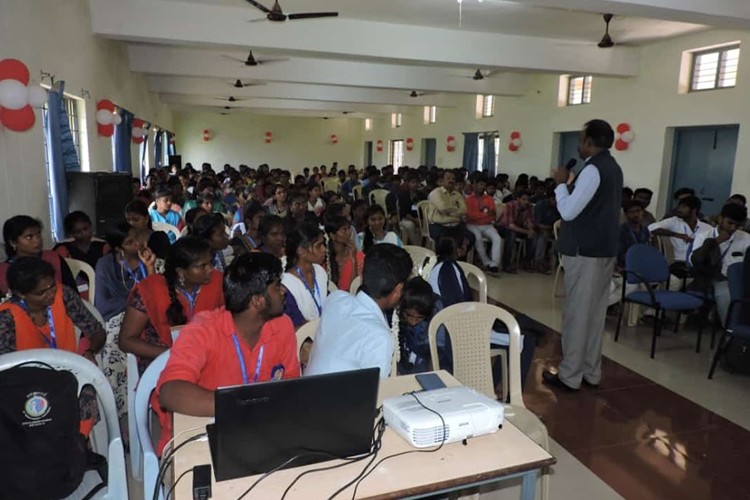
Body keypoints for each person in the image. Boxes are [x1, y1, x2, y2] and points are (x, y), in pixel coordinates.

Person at [155, 253, 300, 453]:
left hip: (257, 434)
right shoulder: (202, 330)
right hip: (200, 435)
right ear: (257, 301)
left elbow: (290, 385)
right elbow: (170, 392)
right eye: (276, 286)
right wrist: (241, 407)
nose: (283, 290)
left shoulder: (282, 325)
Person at [543, 119, 623, 391]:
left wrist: (560, 184)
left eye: (580, 139)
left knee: (577, 314)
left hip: (585, 252)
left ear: (590, 142)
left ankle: (570, 376)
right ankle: (591, 371)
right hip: (603, 250)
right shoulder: (613, 167)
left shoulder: (593, 170)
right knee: (595, 313)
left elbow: (568, 212)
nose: (578, 145)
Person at [0, 257, 107, 436]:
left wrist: (90, 351)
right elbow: (6, 368)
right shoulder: (7, 317)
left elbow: (97, 331)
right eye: (42, 292)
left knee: (86, 391)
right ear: (22, 294)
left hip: (69, 373)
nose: (50, 294)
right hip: (26, 383)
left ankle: (80, 441)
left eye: (52, 286)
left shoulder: (63, 295)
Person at [118, 237, 224, 373]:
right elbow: (126, 340)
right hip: (162, 362)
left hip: (208, 358)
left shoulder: (218, 282)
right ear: (181, 272)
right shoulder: (150, 289)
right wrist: (171, 354)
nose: (210, 269)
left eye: (211, 263)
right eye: (202, 266)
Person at [306, 243, 412, 379]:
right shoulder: (379, 338)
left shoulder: (335, 299)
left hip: (307, 390)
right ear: (398, 290)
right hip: (339, 399)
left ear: (362, 276)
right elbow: (373, 394)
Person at [94, 222, 156, 417]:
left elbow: (158, 297)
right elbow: (103, 306)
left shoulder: (151, 260)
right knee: (114, 345)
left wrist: (151, 269)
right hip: (118, 317)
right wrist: (135, 299)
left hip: (150, 314)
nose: (138, 243)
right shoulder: (106, 265)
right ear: (118, 248)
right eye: (130, 242)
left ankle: (151, 398)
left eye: (137, 237)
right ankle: (123, 411)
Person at [690, 203, 750, 325]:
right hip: (714, 279)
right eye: (730, 223)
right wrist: (715, 242)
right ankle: (731, 334)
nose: (733, 228)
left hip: (741, 279)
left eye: (737, 225)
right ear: (720, 219)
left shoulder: (746, 238)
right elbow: (695, 260)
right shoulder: (703, 236)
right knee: (727, 296)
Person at [0, 216, 78, 296]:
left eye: (38, 234)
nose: (37, 240)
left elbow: (72, 292)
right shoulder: (3, 270)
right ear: (13, 242)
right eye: (29, 237)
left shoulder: (53, 258)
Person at [648, 195, 712, 284]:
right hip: (677, 264)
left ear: (694, 210)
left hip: (697, 265)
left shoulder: (707, 228)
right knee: (674, 282)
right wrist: (676, 234)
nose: (679, 209)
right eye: (679, 206)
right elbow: (650, 228)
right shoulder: (674, 222)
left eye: (683, 206)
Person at [281, 223, 329, 328]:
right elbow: (293, 324)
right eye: (318, 246)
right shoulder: (286, 284)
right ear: (301, 251)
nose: (324, 250)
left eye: (323, 245)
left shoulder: (320, 272)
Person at [427, 170, 471, 257]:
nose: (451, 180)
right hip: (438, 225)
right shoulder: (435, 193)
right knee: (445, 240)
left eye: (453, 179)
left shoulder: (457, 194)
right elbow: (443, 208)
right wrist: (457, 211)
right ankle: (445, 260)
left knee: (471, 237)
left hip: (455, 225)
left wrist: (451, 211)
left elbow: (464, 210)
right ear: (441, 181)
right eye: (448, 178)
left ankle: (460, 260)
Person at [465, 173, 502, 274]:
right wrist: (484, 214)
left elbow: (493, 215)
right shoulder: (469, 199)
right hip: (472, 225)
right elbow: (469, 216)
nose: (482, 187)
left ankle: (494, 264)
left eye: (483, 185)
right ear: (474, 185)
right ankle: (486, 262)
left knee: (497, 238)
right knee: (477, 238)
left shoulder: (489, 199)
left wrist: (481, 215)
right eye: (480, 184)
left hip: (487, 226)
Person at [498, 190, 535, 273]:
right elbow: (510, 225)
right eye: (524, 199)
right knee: (511, 234)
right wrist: (526, 232)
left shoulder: (529, 206)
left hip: (519, 228)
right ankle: (506, 264)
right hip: (504, 227)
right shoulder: (510, 205)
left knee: (533, 236)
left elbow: (529, 221)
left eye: (528, 200)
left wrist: (530, 229)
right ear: (518, 199)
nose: (526, 202)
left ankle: (526, 262)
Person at [325, 215, 364, 292]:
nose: (349, 233)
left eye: (349, 229)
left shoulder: (358, 256)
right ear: (332, 235)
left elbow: (355, 289)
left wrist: (354, 261)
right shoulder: (325, 259)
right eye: (344, 230)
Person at [618, 200, 651, 270]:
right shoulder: (621, 230)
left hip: (643, 265)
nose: (635, 215)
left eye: (638, 211)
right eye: (631, 212)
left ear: (643, 212)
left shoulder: (645, 231)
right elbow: (620, 254)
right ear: (626, 214)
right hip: (625, 267)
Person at [533, 190, 560, 274]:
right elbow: (536, 223)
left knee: (560, 236)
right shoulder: (540, 205)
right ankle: (539, 262)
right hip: (538, 228)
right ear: (550, 199)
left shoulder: (559, 206)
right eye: (554, 200)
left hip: (553, 229)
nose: (556, 203)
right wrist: (549, 228)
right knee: (543, 236)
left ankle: (554, 262)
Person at [397, 172, 424, 246]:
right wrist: (414, 220)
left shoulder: (422, 195)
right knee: (410, 225)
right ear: (408, 183)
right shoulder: (403, 195)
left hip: (418, 218)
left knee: (407, 229)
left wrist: (420, 219)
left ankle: (408, 246)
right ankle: (417, 245)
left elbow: (423, 210)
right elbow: (404, 212)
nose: (415, 184)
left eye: (416, 182)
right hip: (406, 218)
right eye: (412, 182)